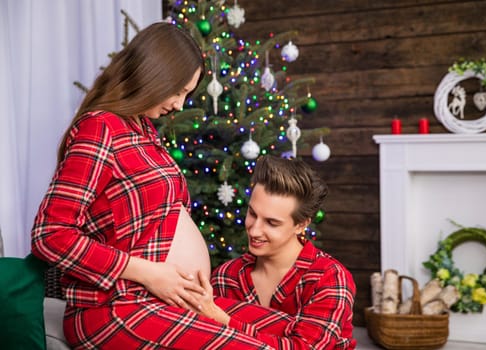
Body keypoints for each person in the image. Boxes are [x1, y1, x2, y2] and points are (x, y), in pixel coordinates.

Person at [31, 22, 276, 349]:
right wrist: (148, 273)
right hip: (114, 307)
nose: (180, 104)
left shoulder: (144, 129)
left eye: (187, 94)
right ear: (152, 74)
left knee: (280, 331)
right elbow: (50, 235)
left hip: (161, 299)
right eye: (178, 91)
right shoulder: (100, 128)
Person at [188, 155, 357, 349]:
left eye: (271, 222)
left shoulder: (330, 279)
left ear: (301, 224)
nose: (254, 230)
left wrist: (225, 321)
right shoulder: (226, 277)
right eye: (252, 213)